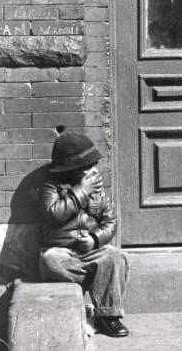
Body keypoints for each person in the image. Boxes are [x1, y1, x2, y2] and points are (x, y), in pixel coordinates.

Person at [38, 130, 129, 338]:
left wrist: (95, 238)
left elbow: (110, 221)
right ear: (73, 170)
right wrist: (81, 191)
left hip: (90, 252)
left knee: (115, 256)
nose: (94, 170)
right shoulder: (51, 186)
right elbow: (53, 214)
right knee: (50, 261)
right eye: (88, 167)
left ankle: (107, 317)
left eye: (93, 165)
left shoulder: (98, 189)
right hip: (61, 251)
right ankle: (83, 302)